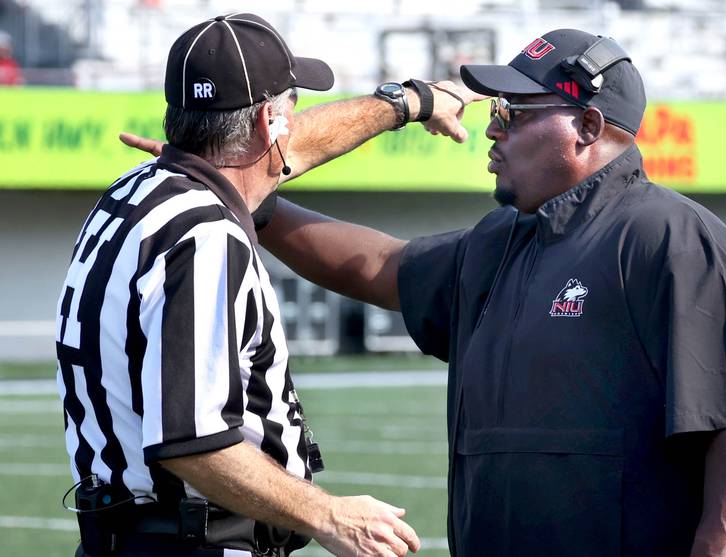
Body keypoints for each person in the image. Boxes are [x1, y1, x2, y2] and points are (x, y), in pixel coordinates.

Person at [123, 28, 726, 557]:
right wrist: (233, 186)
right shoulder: (503, 239)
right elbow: (375, 266)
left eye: (515, 111)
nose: (494, 130)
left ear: (587, 128)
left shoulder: (675, 240)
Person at [57, 13, 480, 557]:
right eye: (289, 110)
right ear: (267, 122)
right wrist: (329, 514)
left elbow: (276, 152)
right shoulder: (205, 235)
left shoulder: (136, 190)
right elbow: (192, 443)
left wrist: (408, 102)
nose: (294, 127)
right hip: (194, 541)